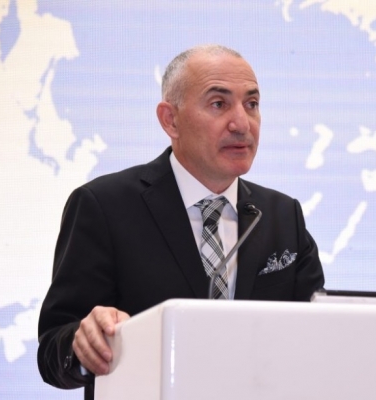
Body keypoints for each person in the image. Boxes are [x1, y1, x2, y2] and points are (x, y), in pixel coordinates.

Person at [37, 44, 325, 398]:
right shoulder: (104, 206)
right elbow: (52, 350)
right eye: (218, 104)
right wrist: (83, 344)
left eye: (251, 104)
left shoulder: (283, 216)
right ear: (170, 120)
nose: (241, 124)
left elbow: (319, 337)